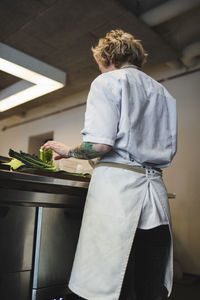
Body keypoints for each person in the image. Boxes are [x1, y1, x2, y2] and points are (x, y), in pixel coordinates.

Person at [42, 29, 177, 300]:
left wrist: (68, 150)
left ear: (107, 57)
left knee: (105, 284)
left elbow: (101, 145)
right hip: (155, 197)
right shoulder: (164, 94)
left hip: (118, 197)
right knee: (145, 284)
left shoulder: (107, 82)